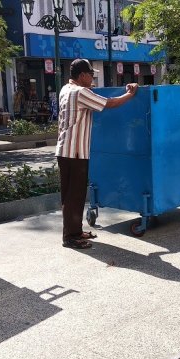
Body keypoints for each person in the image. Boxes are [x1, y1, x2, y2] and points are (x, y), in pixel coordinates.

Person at [56, 59, 138, 249]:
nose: (92, 78)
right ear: (82, 75)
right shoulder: (80, 92)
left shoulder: (65, 90)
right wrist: (129, 94)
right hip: (75, 151)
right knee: (73, 196)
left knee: (73, 194)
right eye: (91, 75)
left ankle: (75, 231)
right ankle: (70, 237)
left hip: (66, 150)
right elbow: (108, 103)